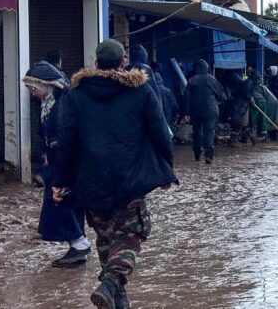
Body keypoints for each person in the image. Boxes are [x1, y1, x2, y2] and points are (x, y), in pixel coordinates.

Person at [54, 39, 178, 309]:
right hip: (130, 180)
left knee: (107, 242)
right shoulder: (141, 90)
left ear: (96, 63)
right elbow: (160, 133)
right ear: (123, 62)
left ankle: (115, 299)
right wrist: (167, 170)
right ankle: (110, 284)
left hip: (92, 183)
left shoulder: (76, 94)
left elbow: (66, 142)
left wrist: (60, 181)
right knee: (132, 235)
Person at [23, 61, 91, 268]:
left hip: (65, 165)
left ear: (45, 86)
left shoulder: (62, 106)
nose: (33, 93)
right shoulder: (52, 104)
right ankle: (78, 246)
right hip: (61, 163)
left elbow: (65, 139)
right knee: (66, 203)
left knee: (58, 202)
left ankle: (80, 243)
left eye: (34, 89)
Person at [184, 59, 226, 163]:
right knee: (209, 132)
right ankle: (208, 156)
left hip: (196, 111)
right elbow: (221, 94)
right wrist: (218, 103)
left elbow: (186, 98)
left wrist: (185, 113)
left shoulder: (191, 81)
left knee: (197, 132)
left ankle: (197, 155)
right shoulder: (211, 79)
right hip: (211, 110)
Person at [226, 72, 252, 145]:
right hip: (241, 107)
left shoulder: (241, 87)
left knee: (238, 124)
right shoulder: (243, 85)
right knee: (241, 124)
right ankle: (237, 139)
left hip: (240, 108)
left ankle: (236, 139)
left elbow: (230, 98)